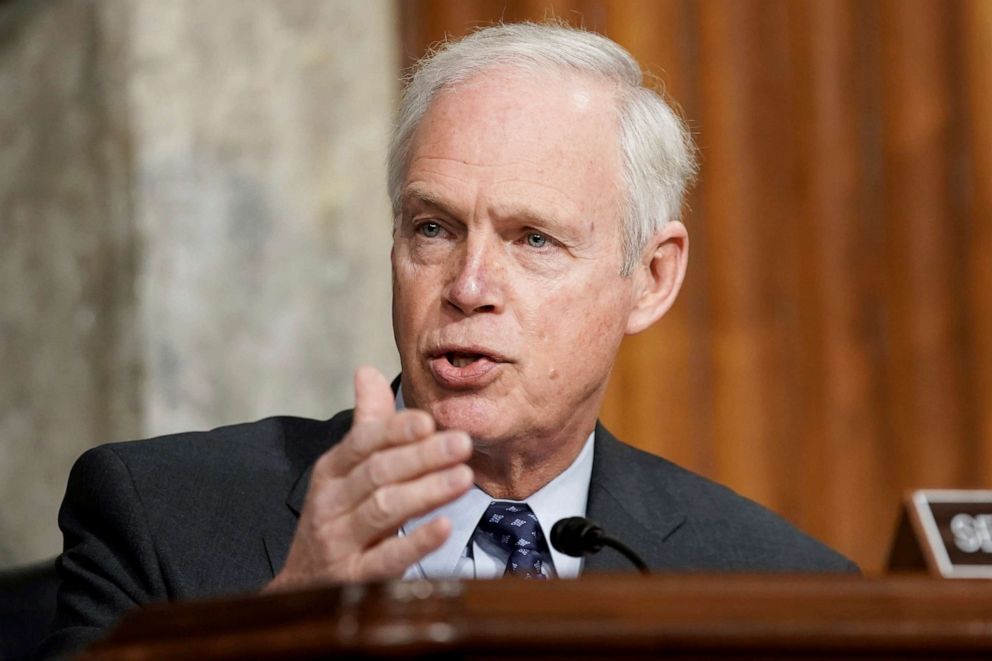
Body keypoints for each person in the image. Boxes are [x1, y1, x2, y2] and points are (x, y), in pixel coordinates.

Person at [40, 21, 855, 658]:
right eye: (434, 227)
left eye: (534, 239)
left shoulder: (784, 586)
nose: (468, 287)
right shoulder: (157, 517)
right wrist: (282, 627)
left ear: (651, 277)